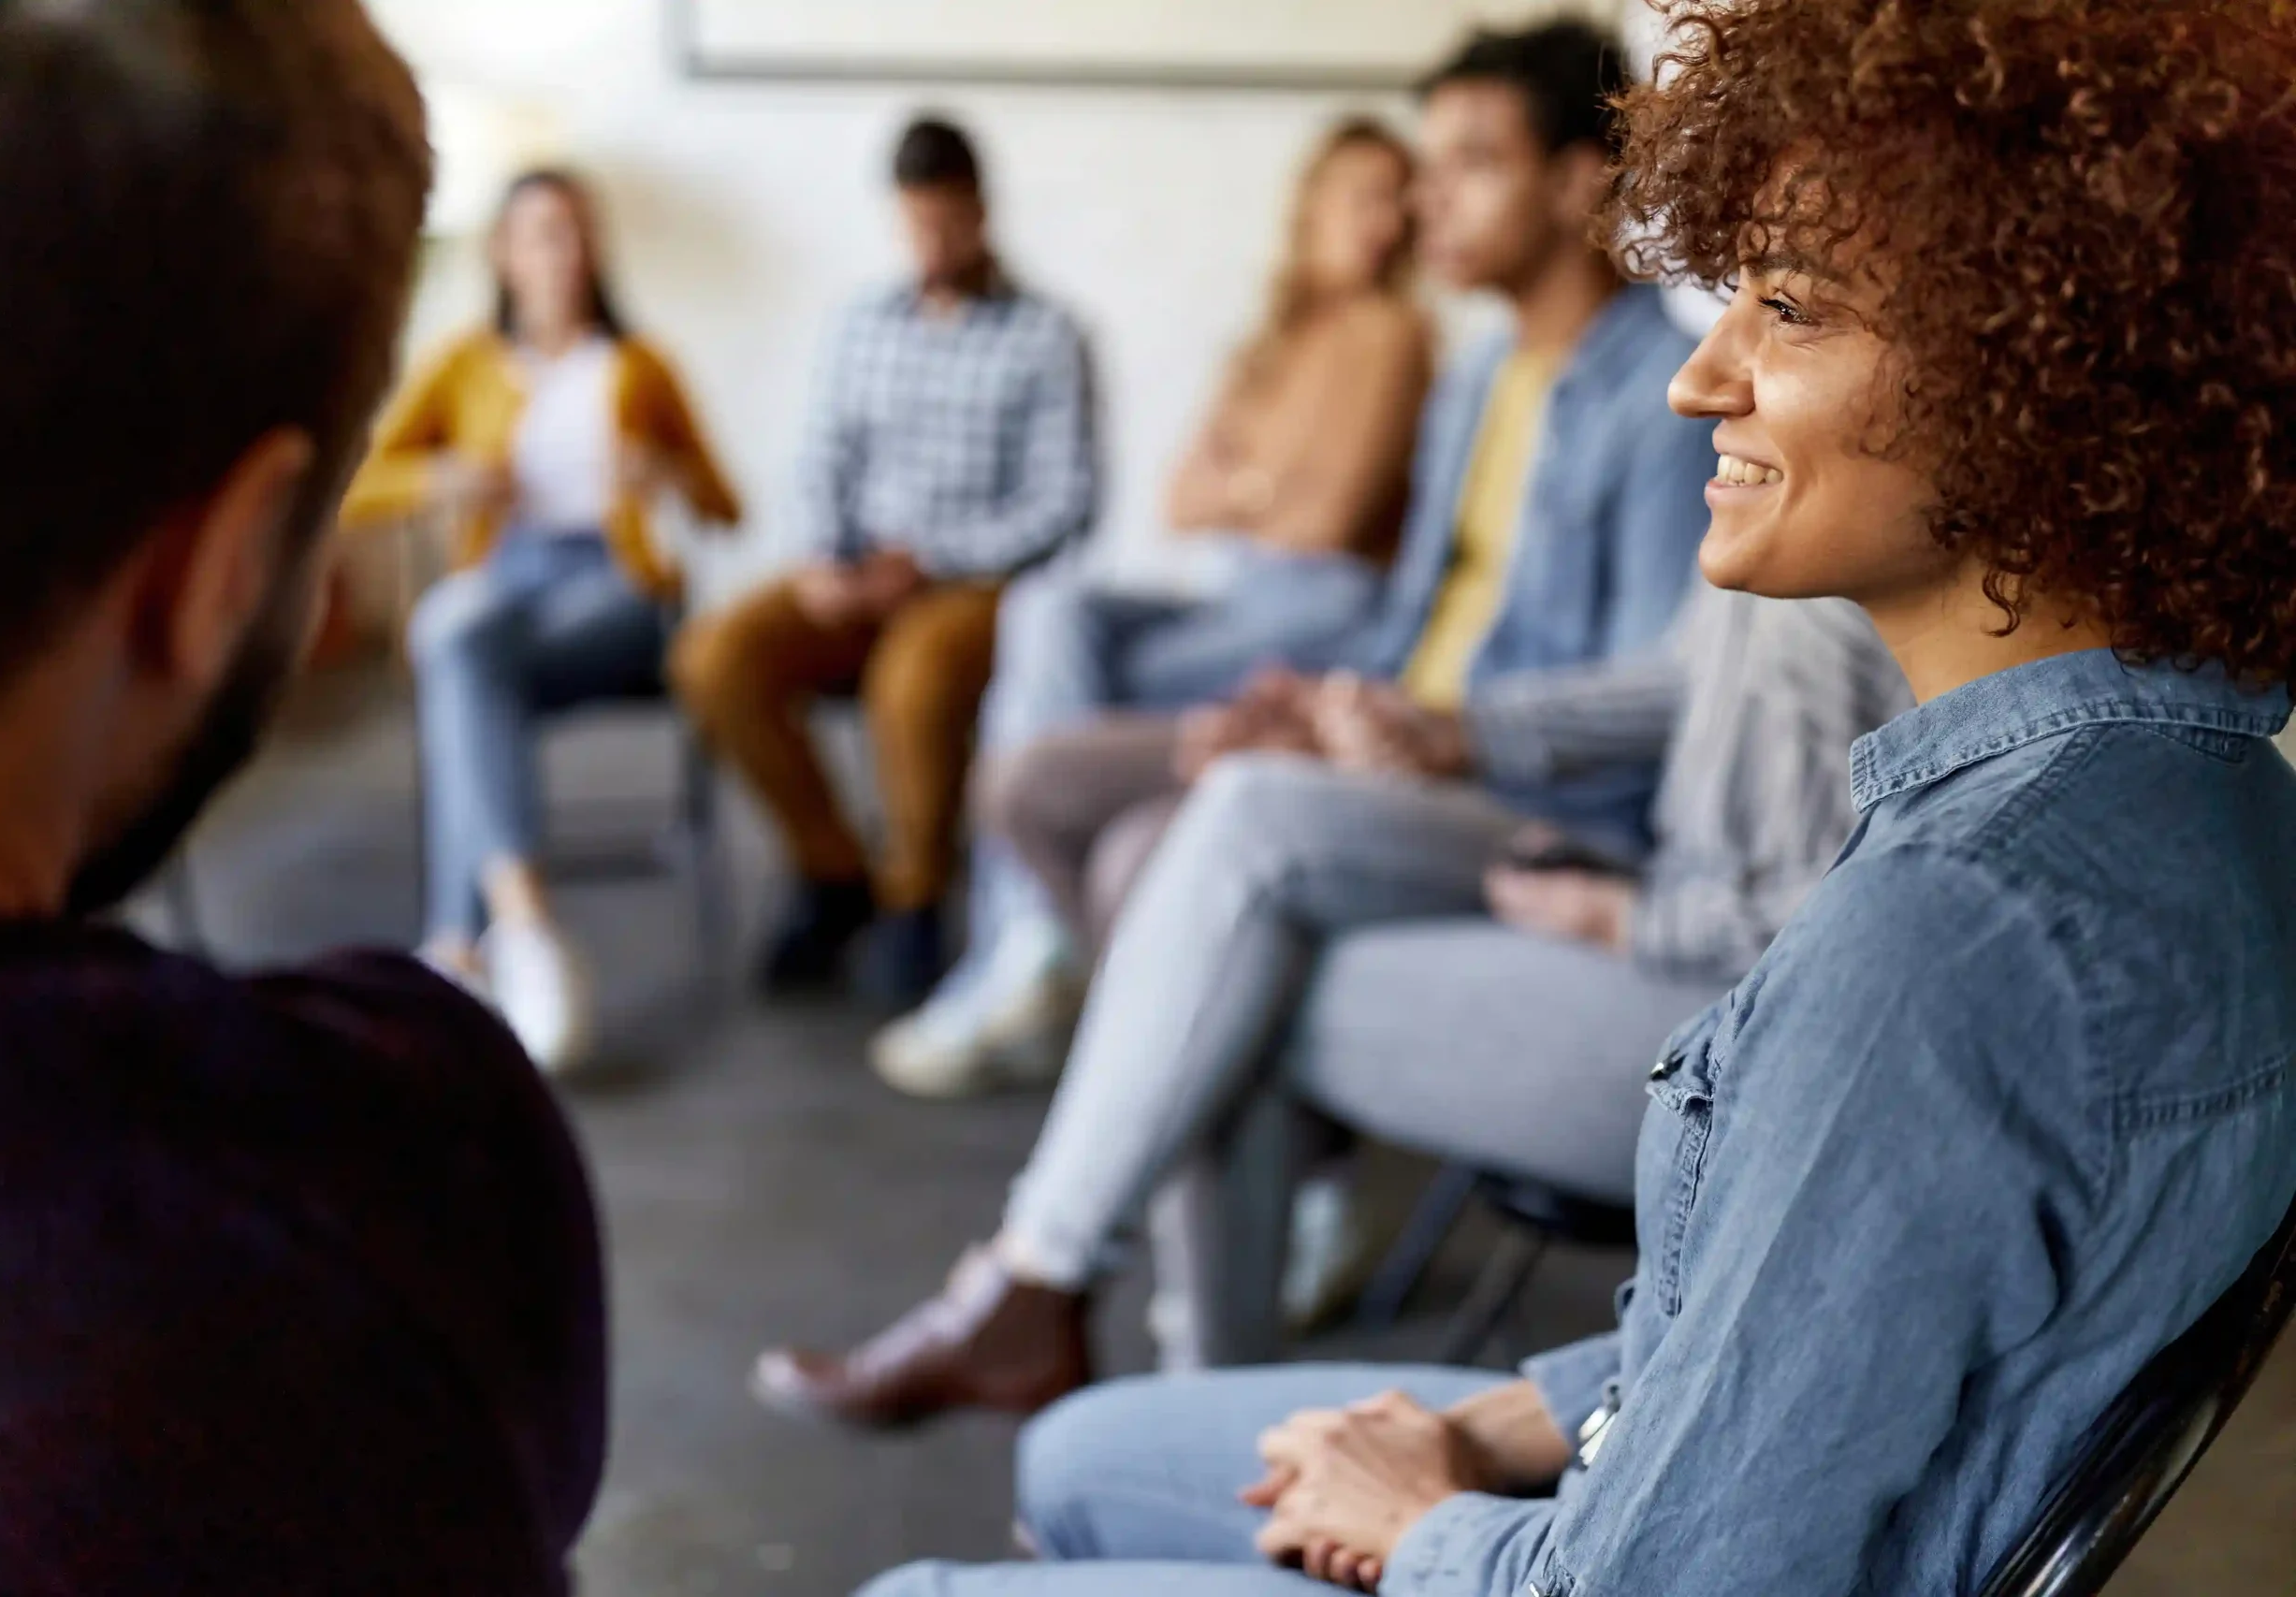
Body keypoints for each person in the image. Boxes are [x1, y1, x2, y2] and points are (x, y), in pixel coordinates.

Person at [855, 0, 2296, 1591]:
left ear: (2042, 367)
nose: (1701, 377)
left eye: (1790, 310)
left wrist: (1422, 1521)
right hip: (1666, 1462)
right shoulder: (2207, 795)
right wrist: (1494, 1424)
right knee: (1081, 1449)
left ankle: (1054, 1266)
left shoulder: (1951, 940)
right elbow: (1801, 1333)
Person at [752, 19, 1727, 1421]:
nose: (1427, 196)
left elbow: (1648, 702)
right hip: (1395, 745)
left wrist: (1424, 731)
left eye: (1472, 162)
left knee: (1188, 848)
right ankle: (1176, 1335)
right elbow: (1405, 615)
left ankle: (1068, 1293)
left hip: (1536, 808)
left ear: (1584, 182)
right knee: (1051, 785)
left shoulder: (1660, 395)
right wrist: (1307, 707)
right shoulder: (1476, 377)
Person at [0, 5, 606, 1594]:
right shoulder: (388, 1160)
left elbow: (707, 496)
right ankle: (507, 907)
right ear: (221, 573)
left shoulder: (637, 375)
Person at [874, 117, 1433, 1096]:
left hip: (1330, 609)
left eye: (1398, 196)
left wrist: (1249, 483)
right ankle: (1037, 940)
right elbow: (1181, 498)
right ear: (1309, 207)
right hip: (1233, 593)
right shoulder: (1273, 340)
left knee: (1065, 684)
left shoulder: (1395, 334)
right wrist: (1269, 489)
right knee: (1048, 610)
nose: (1382, 219)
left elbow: (1329, 519)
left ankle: (1024, 947)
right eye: (1360, 193)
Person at [671, 114, 1100, 1005]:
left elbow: (1062, 503)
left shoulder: (1048, 336)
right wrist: (828, 560)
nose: (933, 244)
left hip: (971, 583)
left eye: (949, 222)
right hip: (852, 569)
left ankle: (914, 893)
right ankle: (833, 871)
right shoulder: (860, 324)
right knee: (714, 657)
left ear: (983, 211)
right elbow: (821, 459)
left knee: (912, 683)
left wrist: (930, 560)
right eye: (916, 225)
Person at [343, 167, 743, 1076]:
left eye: (575, 233)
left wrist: (667, 476)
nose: (561, 253)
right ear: (503, 254)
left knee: (458, 657)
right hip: (505, 585)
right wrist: (441, 479)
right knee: (461, 640)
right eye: (540, 234)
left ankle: (461, 946)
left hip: (618, 592)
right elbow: (359, 485)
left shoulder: (641, 366)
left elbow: (727, 505)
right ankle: (520, 928)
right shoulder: (462, 363)